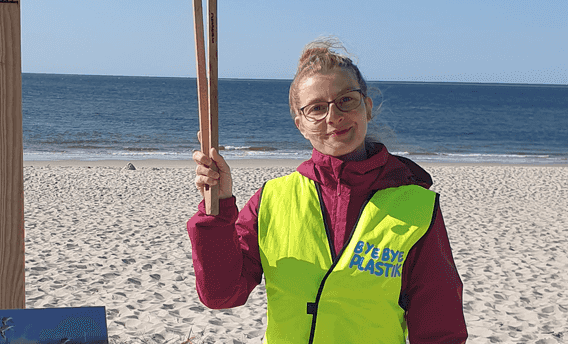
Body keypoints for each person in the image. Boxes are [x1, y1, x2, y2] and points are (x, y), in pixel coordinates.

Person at [187, 38, 467, 344]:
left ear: (367, 106)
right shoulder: (272, 200)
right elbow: (221, 294)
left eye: (346, 100)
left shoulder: (416, 205)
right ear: (301, 125)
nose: (333, 117)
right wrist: (218, 206)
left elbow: (441, 328)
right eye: (317, 108)